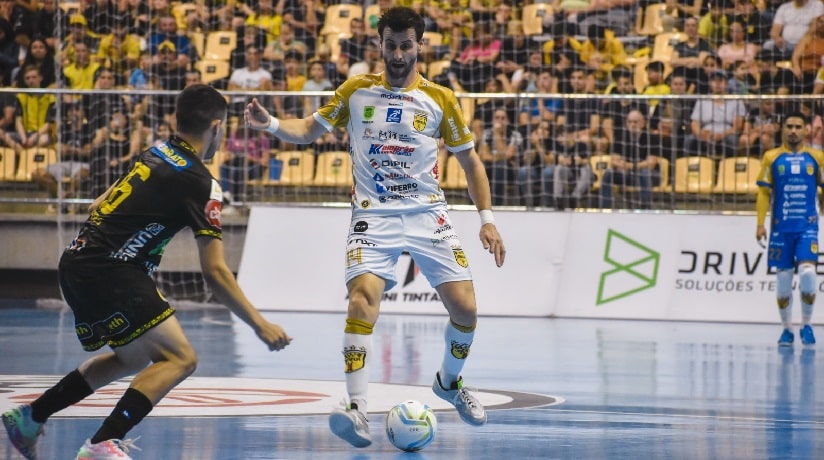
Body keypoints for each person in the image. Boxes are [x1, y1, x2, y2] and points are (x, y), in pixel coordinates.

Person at [244, 6, 505, 448]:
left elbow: (470, 162)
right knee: (361, 301)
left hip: (428, 214)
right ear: (379, 44)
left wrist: (488, 220)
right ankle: (357, 407)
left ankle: (448, 382)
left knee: (466, 310)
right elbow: (308, 130)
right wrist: (269, 123)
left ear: (420, 46)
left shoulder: (440, 98)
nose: (398, 54)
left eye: (406, 45)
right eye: (391, 45)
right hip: (373, 216)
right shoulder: (356, 90)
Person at [1, 84, 292, 460]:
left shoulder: (156, 151)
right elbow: (216, 272)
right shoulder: (203, 183)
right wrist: (259, 325)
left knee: (133, 357)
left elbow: (97, 204)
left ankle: (31, 417)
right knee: (181, 357)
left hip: (75, 260)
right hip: (111, 270)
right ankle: (102, 444)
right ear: (217, 127)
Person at [755, 112, 823, 347]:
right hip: (780, 229)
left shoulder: (817, 157)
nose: (793, 130)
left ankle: (807, 325)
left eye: (798, 126)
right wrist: (759, 223)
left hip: (807, 227)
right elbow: (764, 193)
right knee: (783, 280)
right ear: (782, 129)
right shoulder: (771, 157)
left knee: (807, 274)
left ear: (806, 130)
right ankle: (786, 330)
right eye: (789, 126)